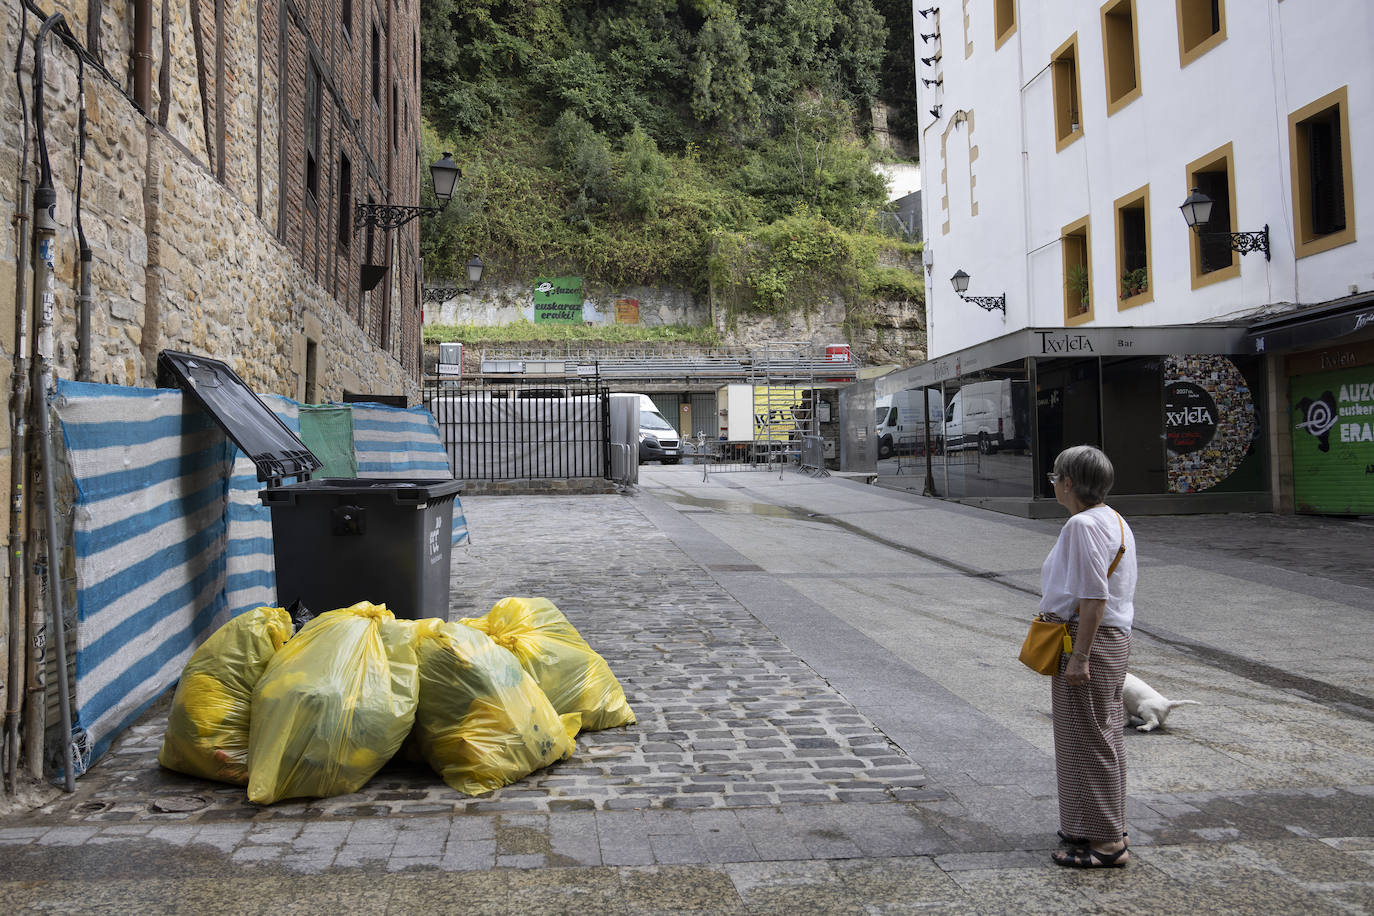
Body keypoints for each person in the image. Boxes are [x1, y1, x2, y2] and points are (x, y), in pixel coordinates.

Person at [1041, 445, 1137, 868]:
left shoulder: (1080, 525)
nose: (1055, 485)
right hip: (1114, 637)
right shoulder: (1115, 519)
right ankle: (1093, 824)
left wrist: (1080, 657)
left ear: (1068, 483)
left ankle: (1107, 844)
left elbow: (1093, 597)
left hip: (1086, 637)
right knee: (1100, 735)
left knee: (1091, 739)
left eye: (1056, 478)